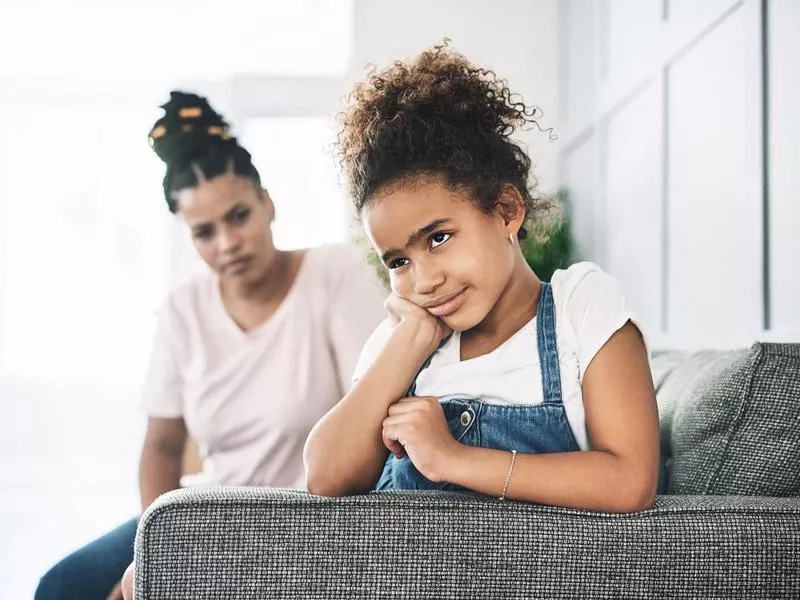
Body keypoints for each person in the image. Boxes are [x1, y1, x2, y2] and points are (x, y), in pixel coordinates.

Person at [36, 91, 386, 600]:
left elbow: (374, 404)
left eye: (238, 216)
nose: (227, 243)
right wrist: (151, 549)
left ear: (267, 203)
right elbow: (162, 444)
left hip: (297, 518)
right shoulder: (184, 309)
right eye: (204, 232)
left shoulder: (332, 274)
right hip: (200, 513)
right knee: (64, 587)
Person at [304, 43, 662, 511]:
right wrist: (413, 337)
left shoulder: (581, 308)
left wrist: (453, 458)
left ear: (507, 211)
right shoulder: (401, 345)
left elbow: (630, 482)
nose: (424, 280)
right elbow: (327, 477)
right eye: (398, 262)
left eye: (438, 239)